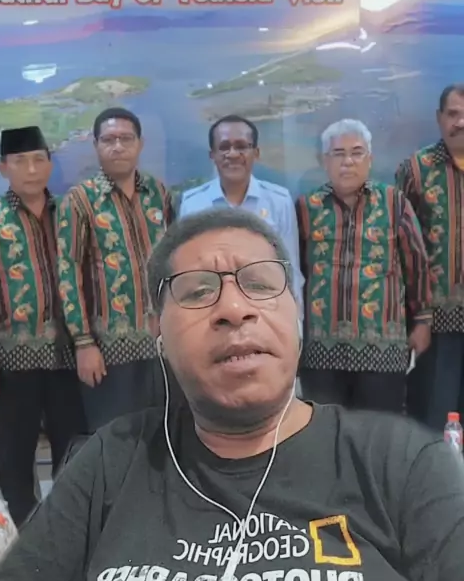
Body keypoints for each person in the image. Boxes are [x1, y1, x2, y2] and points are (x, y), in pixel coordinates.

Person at [0, 208, 464, 581]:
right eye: (196, 292)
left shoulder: (399, 461)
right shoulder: (113, 460)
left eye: (259, 284)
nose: (234, 309)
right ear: (156, 329)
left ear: (296, 311)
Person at [0, 126, 86, 527]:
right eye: (20, 161)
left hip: (68, 358)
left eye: (39, 160)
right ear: (2, 168)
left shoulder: (69, 215)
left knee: (71, 452)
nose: (31, 169)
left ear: (50, 164)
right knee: (16, 457)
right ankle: (28, 537)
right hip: (12, 361)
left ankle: (66, 532)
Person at [296, 119, 431, 411]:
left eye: (356, 153)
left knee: (379, 432)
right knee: (325, 430)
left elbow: (416, 264)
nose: (348, 162)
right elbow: (296, 273)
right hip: (321, 353)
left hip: (383, 351)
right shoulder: (307, 208)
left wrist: (422, 321)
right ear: (324, 161)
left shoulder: (394, 203)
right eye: (338, 153)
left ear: (370, 159)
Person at [57, 107, 174, 431]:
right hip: (108, 351)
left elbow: (174, 261)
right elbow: (68, 273)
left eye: (126, 138)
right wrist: (84, 343)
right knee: (116, 441)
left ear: (140, 143)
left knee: (165, 435)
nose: (118, 146)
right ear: (96, 145)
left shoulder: (159, 193)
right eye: (109, 140)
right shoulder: (80, 201)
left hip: (162, 345)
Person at [179, 114, 304, 324]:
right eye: (224, 147)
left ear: (256, 153)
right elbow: (188, 272)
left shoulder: (278, 201)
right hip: (212, 312)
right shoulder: (193, 204)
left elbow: (290, 269)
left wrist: (294, 325)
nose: (232, 154)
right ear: (212, 155)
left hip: (265, 311)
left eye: (241, 146)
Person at [396, 83, 464, 429]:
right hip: (434, 323)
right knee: (435, 421)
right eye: (453, 114)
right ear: (439, 118)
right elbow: (398, 249)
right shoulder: (416, 170)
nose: (461, 122)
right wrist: (415, 319)